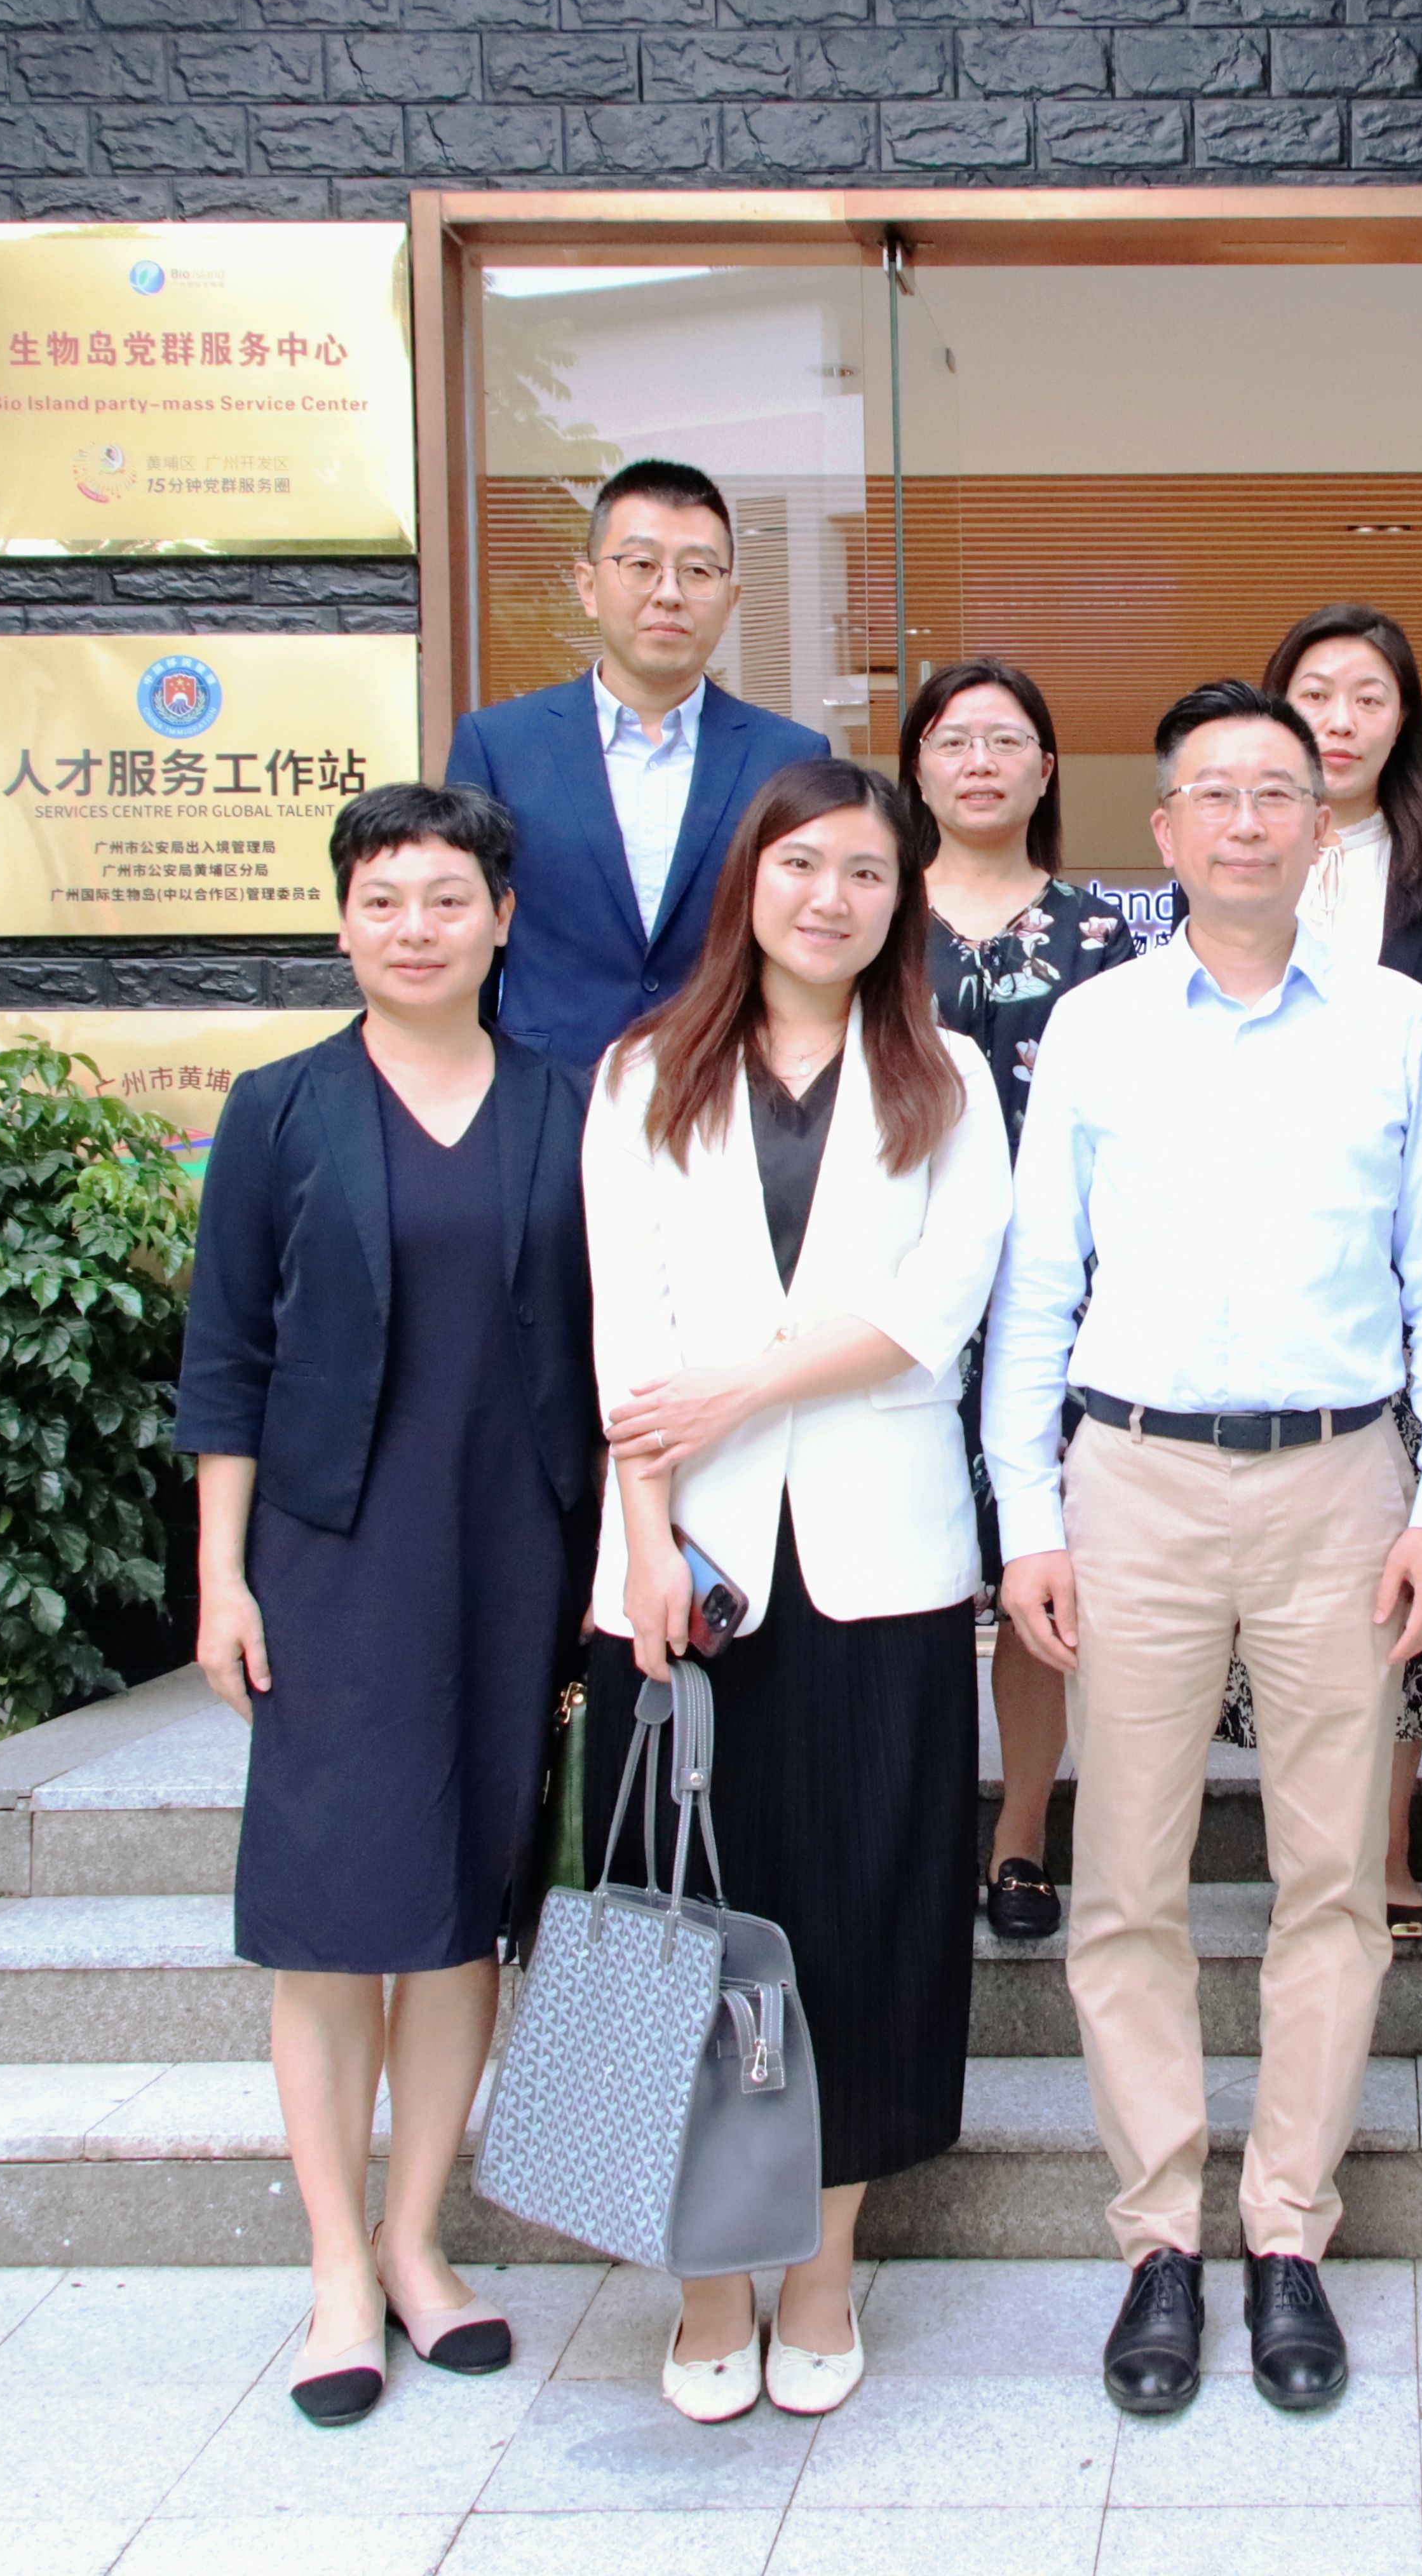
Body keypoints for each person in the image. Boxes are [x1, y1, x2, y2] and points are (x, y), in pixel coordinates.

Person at [984, 679, 1422, 2421]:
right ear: (1165, 829)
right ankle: (1157, 2236)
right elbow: (1035, 1283)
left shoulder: (1394, 1024)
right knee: (1125, 1877)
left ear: (1318, 822)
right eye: (1214, 793)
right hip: (1130, 1481)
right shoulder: (1100, 1026)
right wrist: (1026, 1516)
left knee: (1329, 1877)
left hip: (1338, 1482)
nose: (1247, 821)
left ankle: (1286, 2228)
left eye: (1277, 792)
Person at [579, 758, 1013, 2424]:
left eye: (867, 874)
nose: (831, 898)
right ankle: (705, 2280)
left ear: (903, 904)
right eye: (802, 864)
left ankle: (824, 2270)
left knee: (864, 1919)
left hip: (878, 1563)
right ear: (749, 880)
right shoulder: (642, 1073)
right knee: (676, 1914)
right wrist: (641, 1541)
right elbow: (626, 1327)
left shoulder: (945, 1077)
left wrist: (741, 1389)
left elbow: (933, 1310)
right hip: (684, 1561)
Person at [177, 782, 596, 2427]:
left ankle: (419, 2244)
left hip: (515, 1555)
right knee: (335, 1915)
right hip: (332, 1560)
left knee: (466, 1906)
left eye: (446, 899)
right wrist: (221, 1575)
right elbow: (227, 1359)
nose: (415, 928)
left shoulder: (572, 1106)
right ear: (344, 921)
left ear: (501, 921)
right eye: (384, 900)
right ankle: (337, 2269)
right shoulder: (280, 1109)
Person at [1249, 604, 1422, 1942]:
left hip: (1402, 1261)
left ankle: (1386, 1845)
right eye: (1316, 692)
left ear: (1405, 720)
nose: (1340, 720)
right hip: (1262, 1265)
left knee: (1400, 1574)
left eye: (1368, 696)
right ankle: (1297, 1844)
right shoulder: (1234, 856)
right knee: (1275, 1584)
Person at [905, 657, 1139, 1947]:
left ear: (1047, 769)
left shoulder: (1103, 935)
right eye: (955, 739)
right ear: (918, 767)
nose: (981, 761)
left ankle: (1022, 1837)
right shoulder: (872, 914)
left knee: (1042, 1576)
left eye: (1007, 740)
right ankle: (916, 1826)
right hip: (899, 1303)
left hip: (1062, 1300)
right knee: (914, 1579)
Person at [442, 454, 832, 1079]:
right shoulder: (499, 745)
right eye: (641, 565)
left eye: (697, 571)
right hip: (544, 1089)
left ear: (730, 599)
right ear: (588, 586)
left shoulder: (788, 756)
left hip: (728, 1088)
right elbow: (463, 936)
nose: (668, 593)